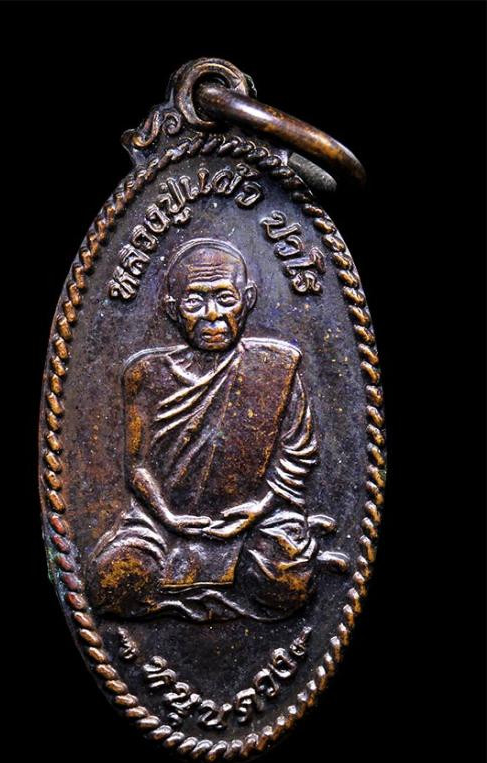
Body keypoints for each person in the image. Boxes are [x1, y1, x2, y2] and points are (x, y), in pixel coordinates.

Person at [87, 238, 344, 621]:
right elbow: (136, 468)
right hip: (161, 527)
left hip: (255, 522)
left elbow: (297, 456)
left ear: (248, 299)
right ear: (172, 310)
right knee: (110, 581)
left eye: (225, 299)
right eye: (194, 302)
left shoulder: (276, 367)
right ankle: (201, 598)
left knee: (289, 582)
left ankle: (191, 594)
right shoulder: (146, 374)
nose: (212, 315)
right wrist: (170, 518)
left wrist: (257, 509)